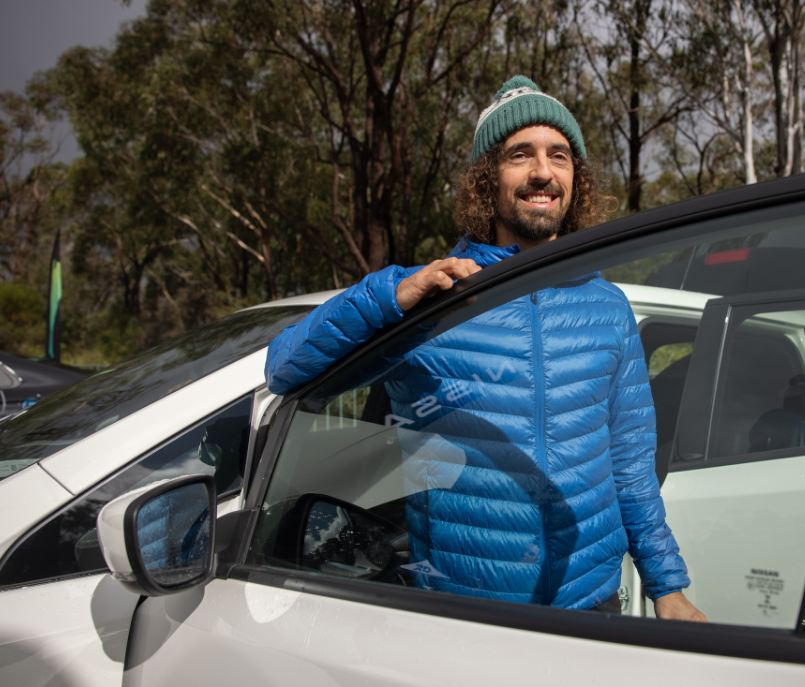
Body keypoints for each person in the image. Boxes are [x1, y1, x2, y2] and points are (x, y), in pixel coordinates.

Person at [266, 76, 705, 622]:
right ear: (487, 178)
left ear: (575, 178)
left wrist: (668, 586)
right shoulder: (436, 299)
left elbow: (630, 468)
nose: (543, 172)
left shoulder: (609, 309)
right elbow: (285, 368)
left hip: (591, 609)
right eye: (520, 154)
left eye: (559, 155)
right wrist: (390, 295)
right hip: (467, 620)